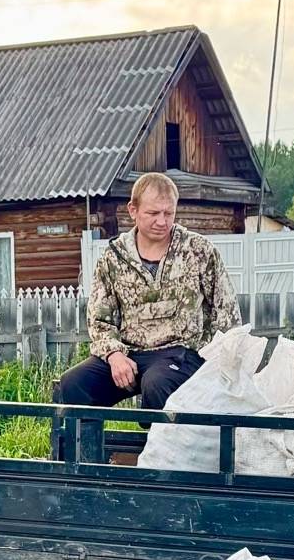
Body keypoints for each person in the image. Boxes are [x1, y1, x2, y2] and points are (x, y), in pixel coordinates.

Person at [55, 171, 238, 410]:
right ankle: (87, 447)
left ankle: (158, 448)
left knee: (158, 383)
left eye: (168, 213)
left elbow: (226, 313)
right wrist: (114, 355)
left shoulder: (199, 251)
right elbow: (100, 320)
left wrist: (220, 365)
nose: (162, 221)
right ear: (133, 210)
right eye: (153, 213)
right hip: (128, 354)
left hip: (181, 354)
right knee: (73, 384)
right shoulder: (113, 258)